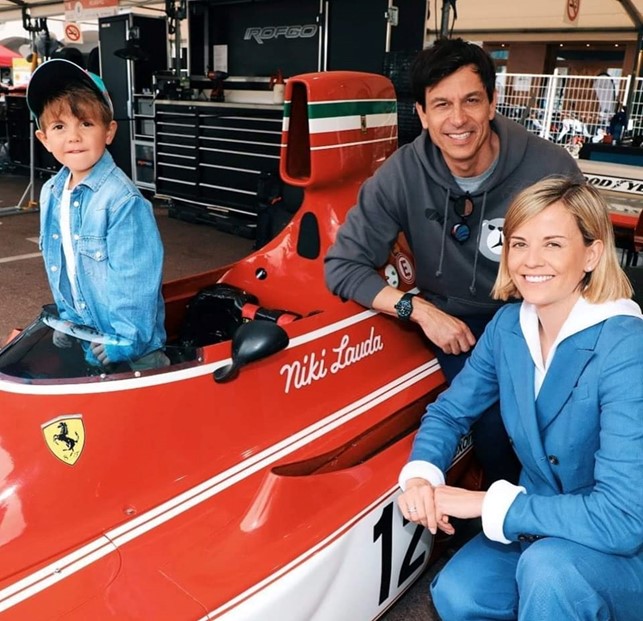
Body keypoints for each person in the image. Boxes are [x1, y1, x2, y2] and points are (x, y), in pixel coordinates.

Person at [324, 38, 584, 486]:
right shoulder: (401, 173)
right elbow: (343, 266)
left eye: (471, 101)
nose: (458, 119)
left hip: (541, 316)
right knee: (494, 426)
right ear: (422, 115)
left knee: (571, 424)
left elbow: (587, 259)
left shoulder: (549, 168)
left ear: (492, 104)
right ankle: (509, 524)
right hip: (457, 326)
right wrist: (418, 309)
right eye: (441, 104)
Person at [397, 177, 643, 620]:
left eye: (552, 244)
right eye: (518, 243)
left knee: (550, 574)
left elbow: (622, 519)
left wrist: (485, 503)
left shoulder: (627, 345)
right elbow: (452, 411)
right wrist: (422, 474)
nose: (531, 261)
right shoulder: (509, 326)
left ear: (591, 253)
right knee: (460, 593)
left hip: (619, 542)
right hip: (539, 525)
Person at [26, 58, 168, 371]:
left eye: (86, 124)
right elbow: (66, 267)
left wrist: (123, 341)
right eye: (59, 127)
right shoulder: (51, 192)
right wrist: (69, 323)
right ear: (44, 139)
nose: (73, 137)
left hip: (133, 355)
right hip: (88, 341)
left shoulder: (122, 200)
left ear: (108, 131)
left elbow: (136, 282)